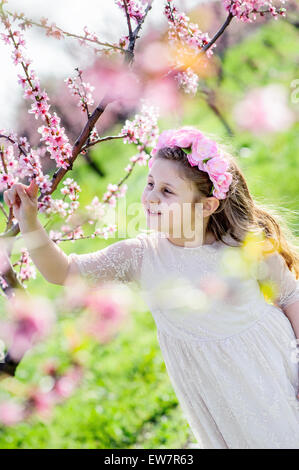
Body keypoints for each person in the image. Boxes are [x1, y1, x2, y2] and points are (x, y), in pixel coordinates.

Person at [3, 126, 299, 449]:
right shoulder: (141, 256)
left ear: (206, 206)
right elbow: (64, 272)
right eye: (150, 184)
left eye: (168, 191)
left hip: (271, 370)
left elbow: (291, 295)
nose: (151, 197)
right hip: (215, 390)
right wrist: (30, 222)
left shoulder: (244, 245)